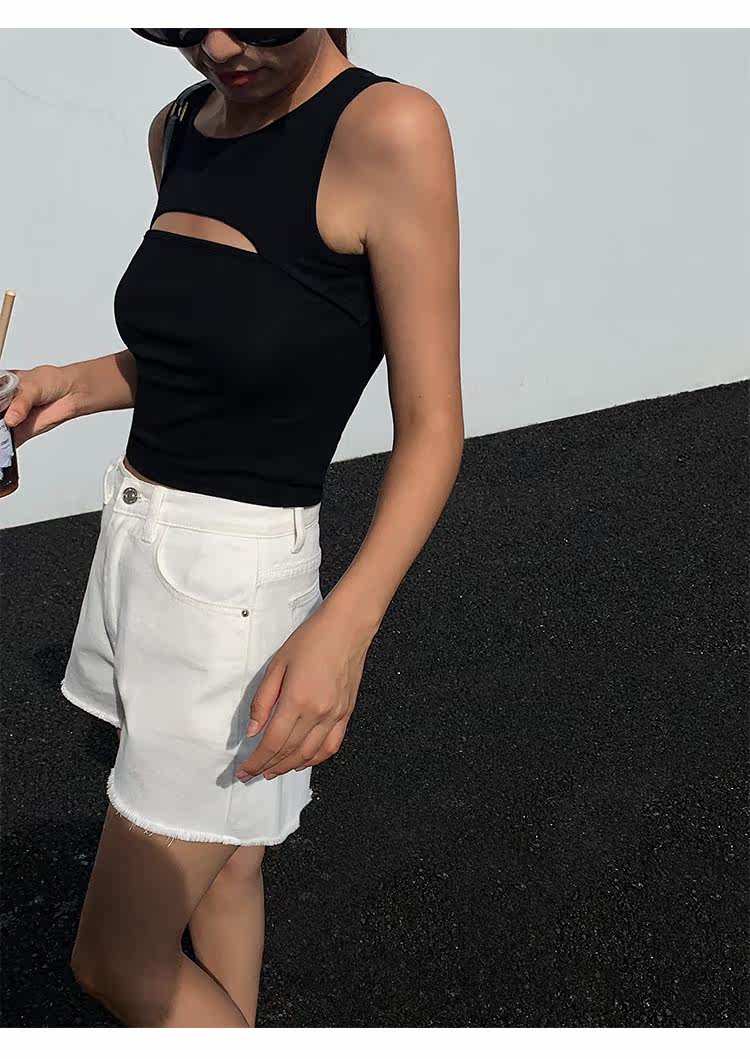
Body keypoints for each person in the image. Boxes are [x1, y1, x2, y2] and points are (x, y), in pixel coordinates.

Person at [5, 28, 462, 1027]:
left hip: (232, 593)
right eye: (181, 19)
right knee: (228, 868)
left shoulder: (388, 129)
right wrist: (66, 386)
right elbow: (212, 345)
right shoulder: (178, 128)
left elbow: (434, 430)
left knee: (115, 961)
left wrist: (345, 629)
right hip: (133, 552)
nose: (216, 45)